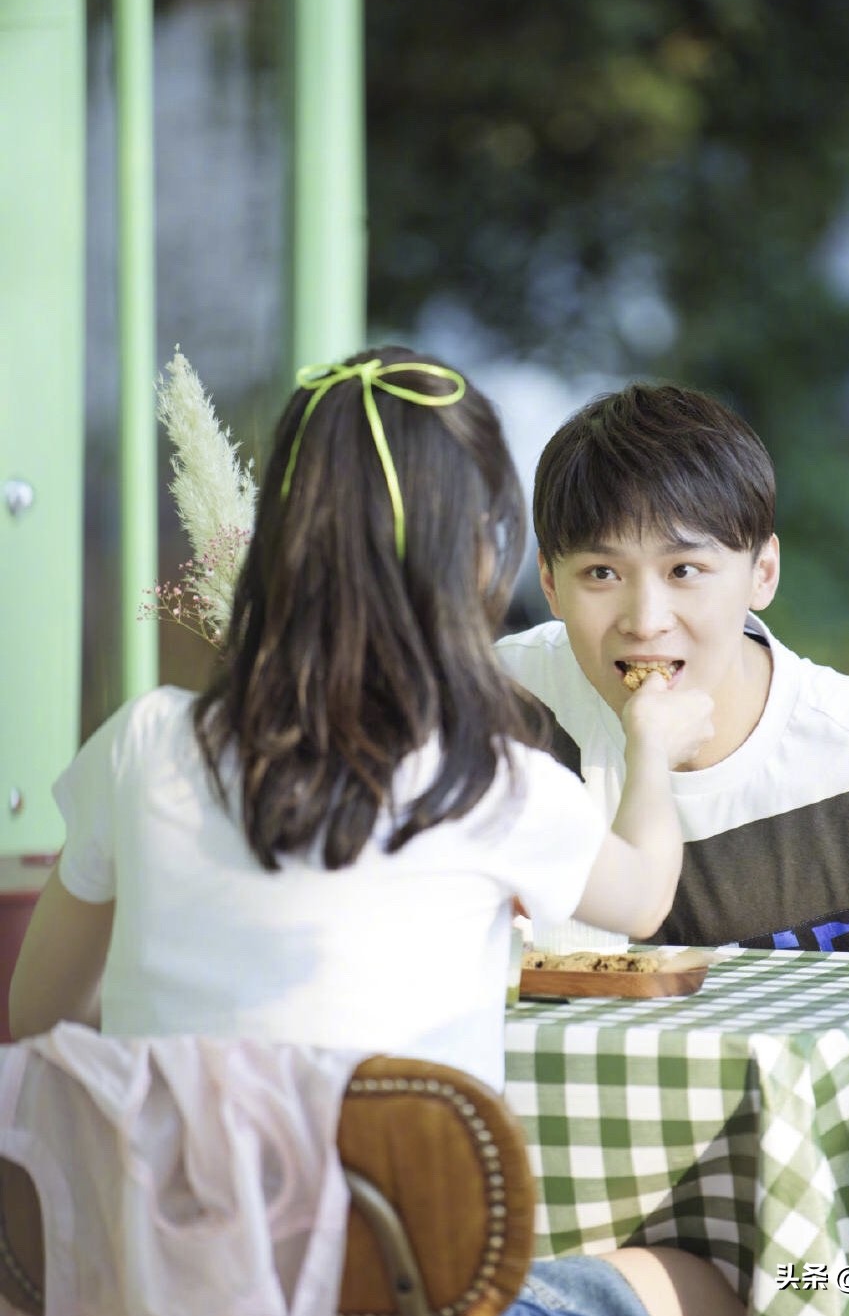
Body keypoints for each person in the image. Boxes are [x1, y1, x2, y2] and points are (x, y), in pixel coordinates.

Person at [7, 349, 741, 1316]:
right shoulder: (489, 778)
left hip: (156, 1288)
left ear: (276, 539)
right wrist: (649, 750)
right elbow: (646, 898)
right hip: (413, 1292)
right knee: (705, 1278)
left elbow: (40, 1017)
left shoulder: (144, 745)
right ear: (483, 553)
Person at [496, 380, 849, 984]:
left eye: (684, 569)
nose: (645, 622)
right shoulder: (491, 717)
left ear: (761, 574)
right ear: (550, 585)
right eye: (601, 572)